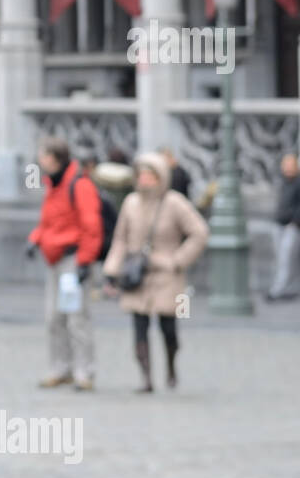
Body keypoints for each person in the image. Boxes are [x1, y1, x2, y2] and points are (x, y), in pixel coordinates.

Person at [102, 153, 210, 392]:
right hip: (136, 273)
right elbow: (120, 238)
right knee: (139, 325)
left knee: (168, 326)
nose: (145, 180)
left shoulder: (175, 202)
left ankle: (171, 365)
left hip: (166, 274)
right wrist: (111, 269)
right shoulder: (131, 202)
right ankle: (146, 377)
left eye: (150, 176)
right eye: (141, 175)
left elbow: (199, 232)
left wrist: (178, 260)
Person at [28, 137, 103, 391]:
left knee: (76, 318)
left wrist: (85, 261)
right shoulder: (53, 184)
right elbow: (49, 221)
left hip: (73, 260)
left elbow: (91, 226)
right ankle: (61, 368)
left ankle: (85, 372)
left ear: (55, 158)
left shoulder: (79, 185)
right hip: (54, 259)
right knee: (54, 317)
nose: (39, 160)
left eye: (43, 155)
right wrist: (35, 239)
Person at [267, 152, 300, 302]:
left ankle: (277, 290)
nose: (287, 168)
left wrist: (295, 223)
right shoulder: (284, 182)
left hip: (293, 227)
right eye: (285, 165)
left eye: (290, 165)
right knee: (282, 259)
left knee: (286, 258)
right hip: (280, 225)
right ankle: (289, 288)